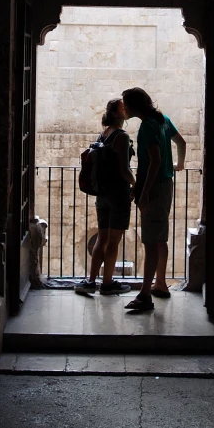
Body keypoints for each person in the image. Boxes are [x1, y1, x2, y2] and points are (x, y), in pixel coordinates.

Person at [121, 87, 186, 312]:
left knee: (149, 242)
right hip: (165, 185)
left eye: (125, 104)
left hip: (155, 188)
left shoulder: (147, 127)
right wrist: (179, 164)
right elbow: (182, 143)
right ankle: (160, 284)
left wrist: (144, 192)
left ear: (133, 106)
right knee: (160, 238)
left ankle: (145, 294)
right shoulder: (163, 120)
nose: (123, 108)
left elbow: (155, 161)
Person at [74, 98, 135, 295]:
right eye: (123, 107)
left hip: (102, 194)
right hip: (118, 194)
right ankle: (107, 283)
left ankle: (91, 281)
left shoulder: (103, 135)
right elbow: (125, 170)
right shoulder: (121, 137)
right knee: (114, 241)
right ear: (117, 114)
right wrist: (137, 183)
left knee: (102, 238)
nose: (126, 109)